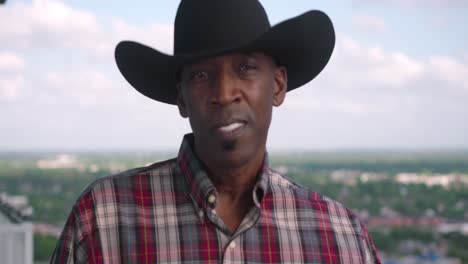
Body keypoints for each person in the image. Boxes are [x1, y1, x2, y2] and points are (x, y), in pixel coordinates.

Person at [52, 0, 381, 263]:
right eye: (200, 75)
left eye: (245, 68)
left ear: (278, 85)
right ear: (181, 98)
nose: (224, 92)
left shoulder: (341, 236)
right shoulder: (104, 218)